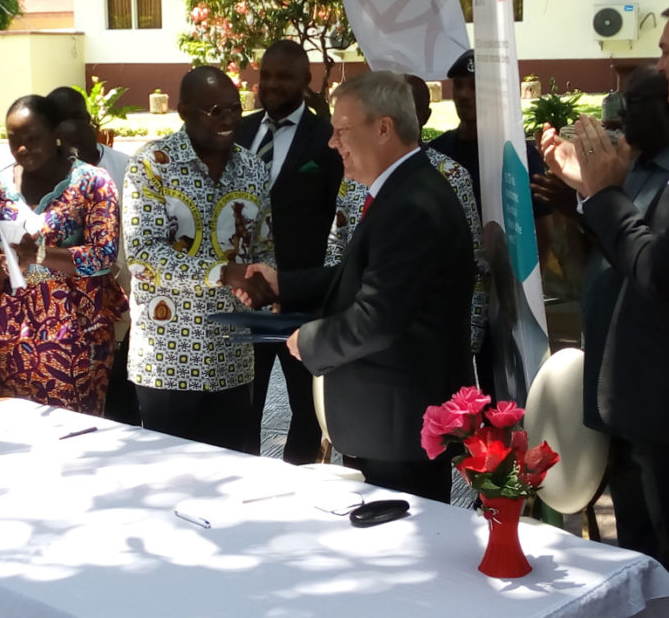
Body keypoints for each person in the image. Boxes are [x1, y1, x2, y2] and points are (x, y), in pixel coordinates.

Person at [541, 0, 669, 617]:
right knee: (660, 558)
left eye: (668, 49)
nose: (659, 64)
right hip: (665, 404)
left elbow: (662, 268)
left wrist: (604, 194)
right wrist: (590, 190)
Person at [239, 71, 475, 500]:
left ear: (384, 128)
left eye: (342, 130)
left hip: (398, 428)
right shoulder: (402, 190)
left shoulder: (413, 205)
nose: (332, 143)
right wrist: (285, 285)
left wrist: (309, 341)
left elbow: (377, 318)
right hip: (387, 423)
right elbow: (368, 275)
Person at [533, 66, 669, 558]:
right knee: (631, 534)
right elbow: (611, 252)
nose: (617, 117)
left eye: (632, 103)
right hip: (613, 378)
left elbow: (653, 264)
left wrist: (596, 198)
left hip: (658, 390)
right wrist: (578, 201)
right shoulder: (630, 168)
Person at [122, 66, 274, 452]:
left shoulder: (254, 169)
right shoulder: (151, 164)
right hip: (167, 361)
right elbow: (143, 255)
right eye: (215, 111)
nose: (229, 119)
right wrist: (224, 273)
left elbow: (263, 248)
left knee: (230, 475)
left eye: (235, 109)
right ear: (184, 111)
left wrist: (263, 283)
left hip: (232, 360)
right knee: (170, 477)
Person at [0, 95, 126, 416]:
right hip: (15, 332)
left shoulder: (93, 183)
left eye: (32, 138)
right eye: (14, 139)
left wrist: (40, 254)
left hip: (79, 331)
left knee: (76, 429)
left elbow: (103, 255)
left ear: (55, 133)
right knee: (19, 424)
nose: (22, 148)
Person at [326, 74, 489, 360]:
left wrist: (470, 337)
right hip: (355, 336)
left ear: (423, 116)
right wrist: (331, 315)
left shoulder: (450, 176)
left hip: (416, 345)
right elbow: (337, 245)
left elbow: (475, 263)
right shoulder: (354, 175)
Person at [234, 40, 343, 463]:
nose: (272, 85)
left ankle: (297, 481)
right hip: (245, 297)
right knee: (244, 404)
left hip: (301, 299)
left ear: (306, 80)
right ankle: (243, 480)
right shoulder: (239, 132)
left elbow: (339, 217)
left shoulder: (327, 139)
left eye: (284, 76)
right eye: (266, 76)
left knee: (306, 408)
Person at [430, 50, 552, 397]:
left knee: (504, 396)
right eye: (459, 86)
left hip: (507, 298)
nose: (464, 95)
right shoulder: (438, 153)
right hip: (451, 298)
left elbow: (542, 232)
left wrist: (522, 294)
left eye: (475, 87)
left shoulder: (519, 155)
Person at [53, 113, 139, 425]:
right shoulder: (41, 182)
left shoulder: (126, 167)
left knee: (120, 408)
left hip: (121, 311)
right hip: (64, 321)